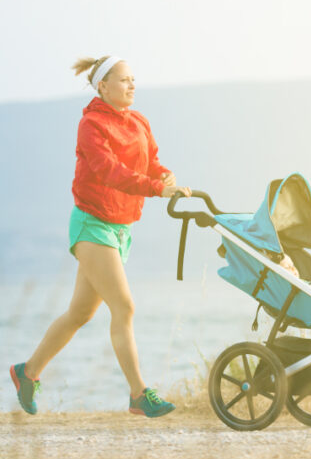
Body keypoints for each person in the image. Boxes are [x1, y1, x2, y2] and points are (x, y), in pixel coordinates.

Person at [9, 56, 192, 418]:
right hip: (93, 224)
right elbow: (109, 171)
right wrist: (156, 189)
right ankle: (138, 394)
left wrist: (165, 177)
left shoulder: (139, 121)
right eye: (124, 80)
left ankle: (26, 372)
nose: (132, 85)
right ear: (103, 86)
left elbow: (150, 161)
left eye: (133, 79)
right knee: (124, 306)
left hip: (121, 227)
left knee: (79, 313)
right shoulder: (90, 124)